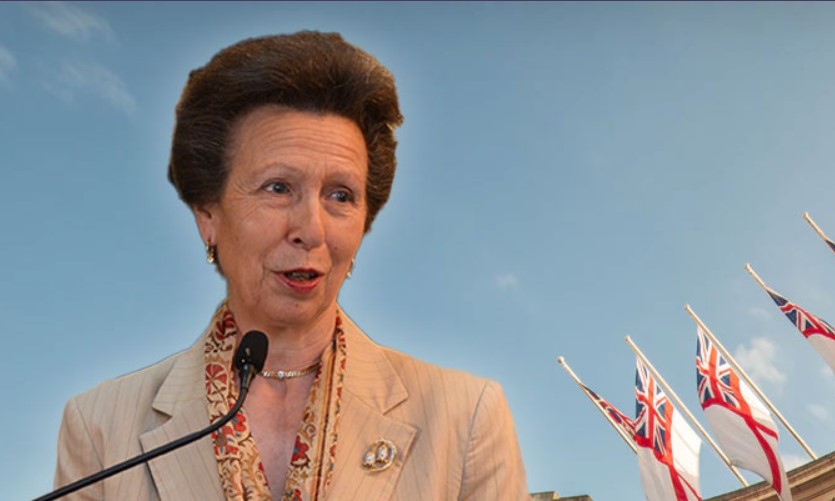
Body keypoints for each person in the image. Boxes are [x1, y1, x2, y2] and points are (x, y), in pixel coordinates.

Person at [51, 31, 528, 500]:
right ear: (208, 216)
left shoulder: (465, 418)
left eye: (340, 196)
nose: (311, 230)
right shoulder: (100, 429)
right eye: (278, 188)